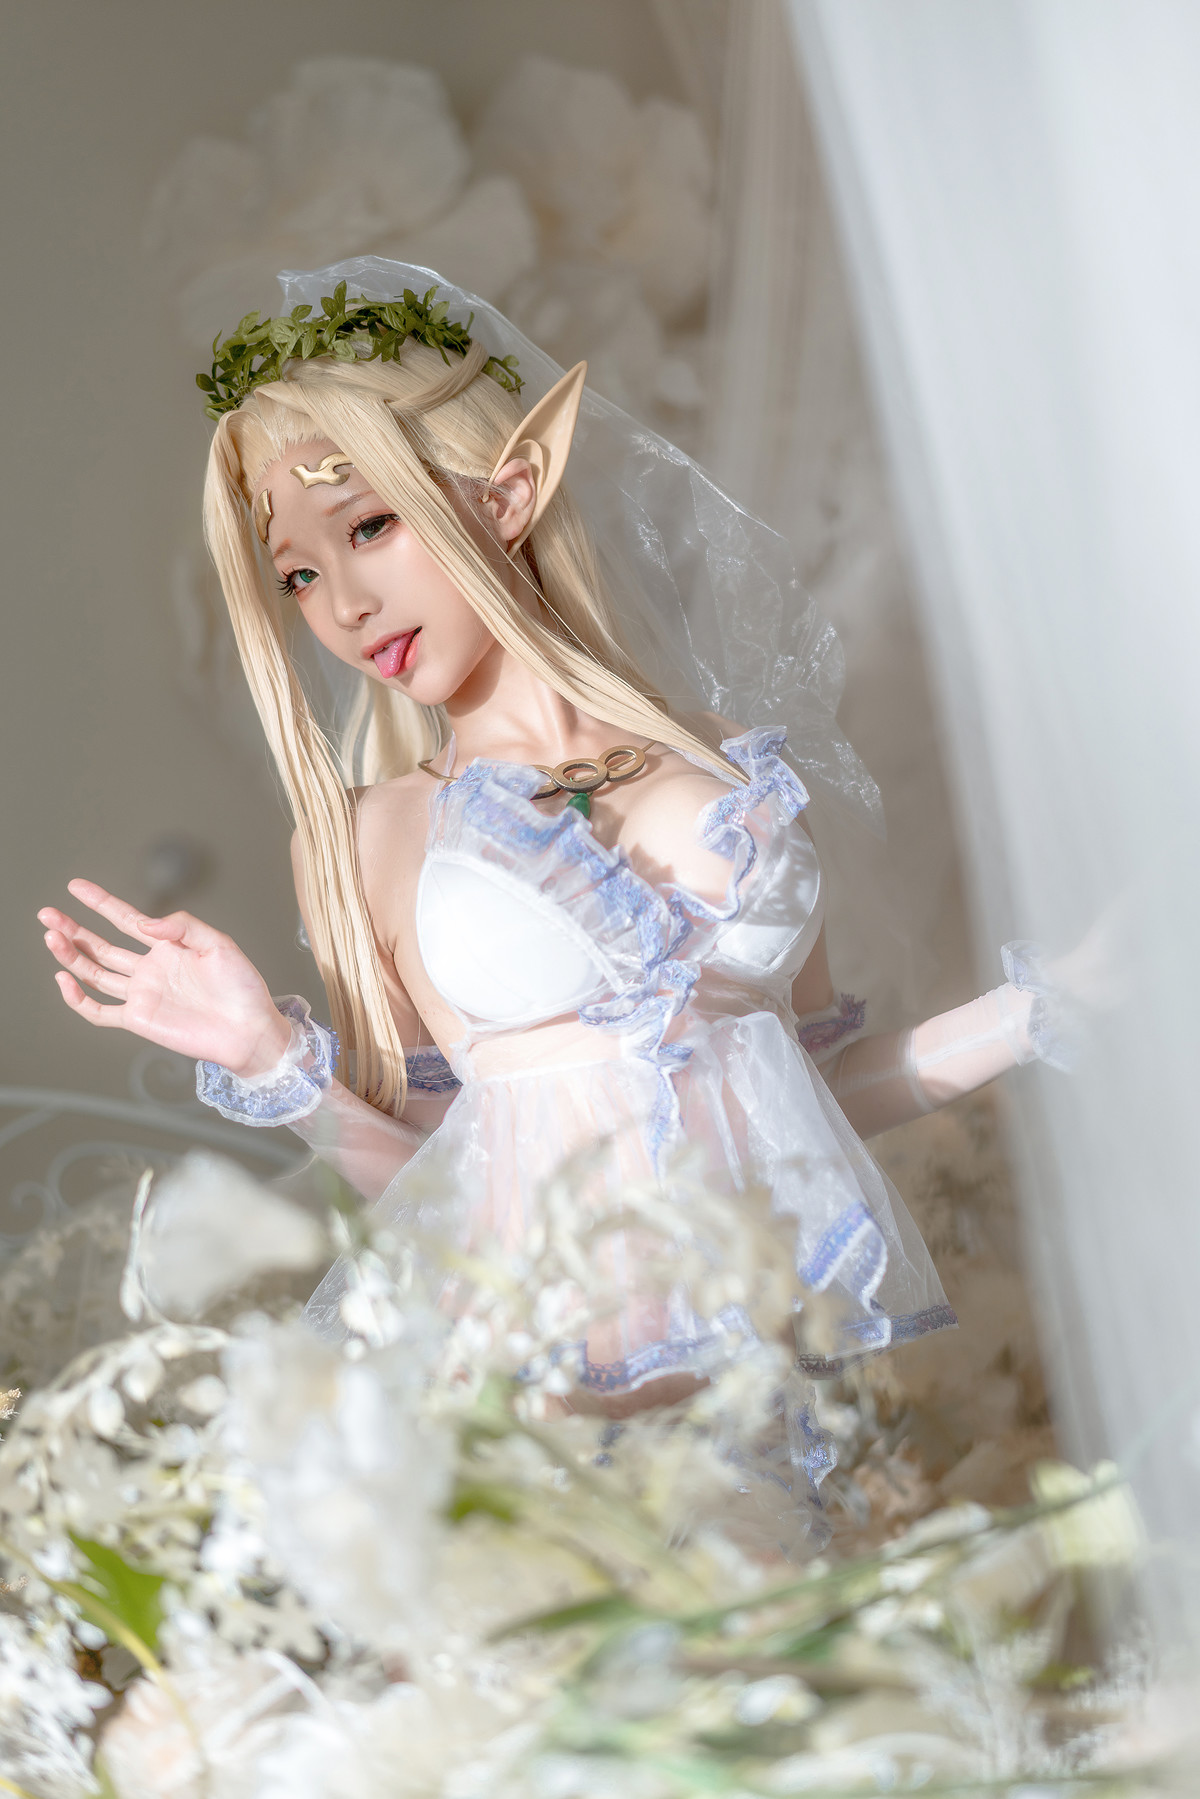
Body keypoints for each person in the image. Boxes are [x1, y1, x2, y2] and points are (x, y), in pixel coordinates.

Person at [37, 261, 1061, 1410]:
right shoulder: (373, 835)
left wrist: (1044, 1008)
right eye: (301, 577)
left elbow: (804, 1098)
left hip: (769, 1405)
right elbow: (439, 1191)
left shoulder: (734, 764)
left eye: (371, 524)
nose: (345, 606)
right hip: (556, 1416)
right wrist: (266, 1058)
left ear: (509, 491)